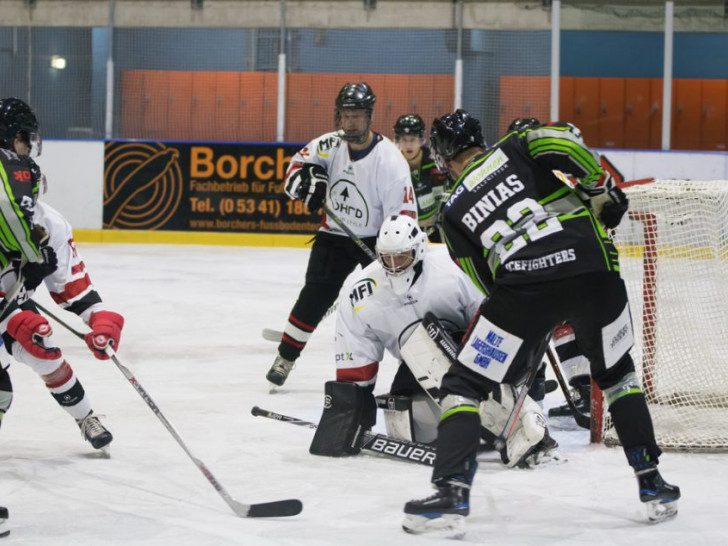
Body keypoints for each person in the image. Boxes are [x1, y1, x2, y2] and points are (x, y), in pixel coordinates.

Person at [402, 110, 680, 537]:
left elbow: (485, 282)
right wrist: (599, 186)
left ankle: (451, 490)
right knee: (618, 376)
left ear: (441, 159)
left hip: (524, 288)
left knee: (462, 387)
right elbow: (565, 144)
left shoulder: (452, 211)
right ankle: (652, 482)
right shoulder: (516, 146)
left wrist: (526, 320)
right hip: (595, 272)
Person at [308, 214, 559, 468]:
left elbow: (499, 326)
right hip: (419, 368)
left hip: (475, 356)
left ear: (418, 251)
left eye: (402, 257)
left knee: (426, 346)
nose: (394, 266)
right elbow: (356, 365)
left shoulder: (453, 269)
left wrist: (523, 373)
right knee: (409, 427)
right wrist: (346, 415)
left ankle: (524, 422)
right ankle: (494, 419)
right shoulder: (361, 292)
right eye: (387, 258)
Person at [266, 83, 416, 387]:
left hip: (376, 242)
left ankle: (415, 364)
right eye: (346, 116)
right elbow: (294, 168)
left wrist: (391, 255)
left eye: (357, 116)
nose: (351, 123)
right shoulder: (328, 145)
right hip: (333, 236)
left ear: (369, 117)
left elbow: (404, 219)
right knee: (314, 297)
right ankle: (285, 358)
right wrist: (301, 180)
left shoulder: (390, 161)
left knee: (397, 303)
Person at [0, 97, 123, 451]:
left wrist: (99, 318)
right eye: (24, 138)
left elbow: (71, 283)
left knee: (42, 348)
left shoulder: (48, 221)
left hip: (12, 308)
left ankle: (85, 416)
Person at [393, 114, 449, 242]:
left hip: (436, 227)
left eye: (412, 139)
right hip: (404, 229)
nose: (408, 145)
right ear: (398, 140)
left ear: (421, 139)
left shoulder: (436, 160)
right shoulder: (393, 164)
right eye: (404, 139)